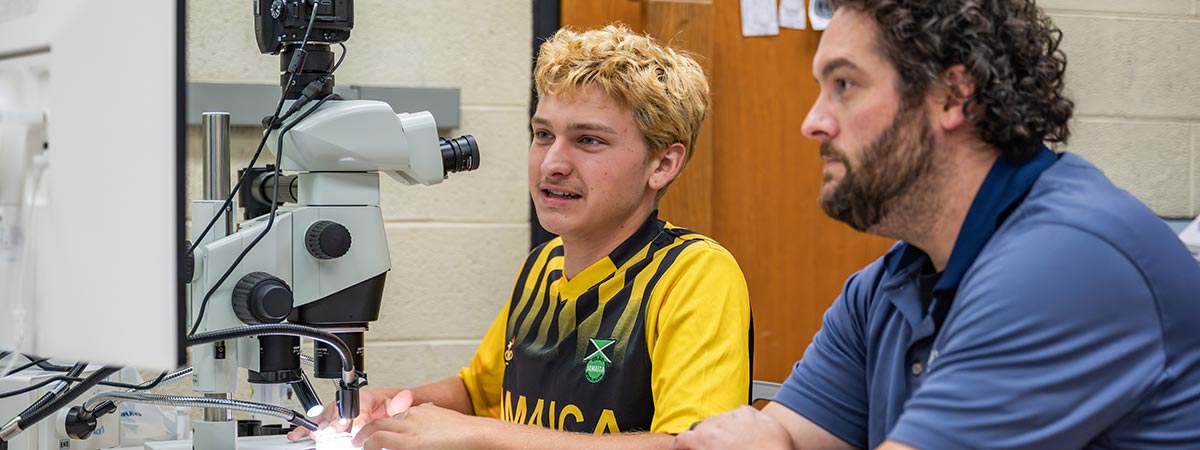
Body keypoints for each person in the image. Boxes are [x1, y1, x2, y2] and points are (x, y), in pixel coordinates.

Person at [672, 1, 1200, 449]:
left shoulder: (1067, 263)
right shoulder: (889, 284)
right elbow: (778, 436)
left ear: (952, 96)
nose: (813, 122)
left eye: (845, 84)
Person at [288, 24, 752, 450]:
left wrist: (481, 434)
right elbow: (477, 393)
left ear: (663, 164)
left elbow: (694, 446)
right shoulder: (544, 264)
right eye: (544, 134)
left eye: (588, 140)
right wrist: (391, 401)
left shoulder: (694, 275)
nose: (552, 163)